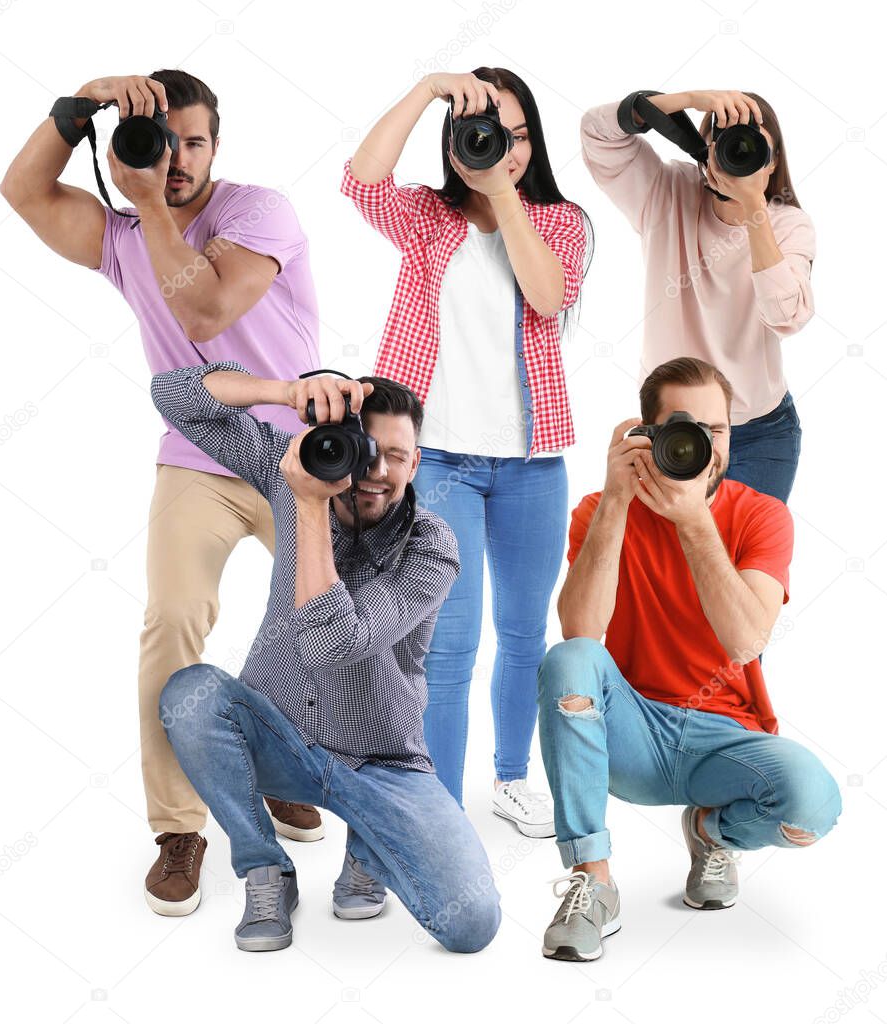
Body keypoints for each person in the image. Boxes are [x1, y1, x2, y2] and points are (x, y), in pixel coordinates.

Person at [0, 69, 324, 916]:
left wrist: (147, 208)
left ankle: (278, 764)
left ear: (218, 146)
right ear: (124, 149)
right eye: (158, 142)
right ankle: (180, 828)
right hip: (198, 452)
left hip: (297, 452)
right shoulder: (117, 237)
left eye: (194, 141)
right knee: (173, 618)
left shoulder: (259, 211)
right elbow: (22, 190)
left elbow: (209, 312)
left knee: (323, 621)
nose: (175, 159)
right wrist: (72, 113)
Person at [149, 361, 501, 954]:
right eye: (365, 452)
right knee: (190, 693)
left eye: (397, 455)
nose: (377, 472)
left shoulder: (431, 544)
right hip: (279, 742)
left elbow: (331, 645)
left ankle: (368, 842)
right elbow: (174, 395)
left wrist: (309, 508)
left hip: (383, 765)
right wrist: (283, 392)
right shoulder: (291, 473)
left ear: (416, 463)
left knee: (472, 925)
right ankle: (265, 870)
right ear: (335, 444)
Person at [340, 67, 592, 834]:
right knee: (446, 646)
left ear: (532, 142)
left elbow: (549, 295)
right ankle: (438, 809)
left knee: (523, 634)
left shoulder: (559, 220)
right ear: (453, 143)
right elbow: (360, 177)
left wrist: (502, 189)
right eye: (483, 135)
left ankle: (512, 779)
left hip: (531, 462)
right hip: (438, 457)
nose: (499, 149)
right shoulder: (423, 218)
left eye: (515, 136)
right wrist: (424, 91)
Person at [538, 356, 841, 962]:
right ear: (647, 434)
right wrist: (619, 503)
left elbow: (747, 639)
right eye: (683, 426)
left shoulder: (760, 514)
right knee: (566, 658)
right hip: (630, 735)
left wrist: (693, 520)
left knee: (813, 806)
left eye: (717, 429)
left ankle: (710, 832)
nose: (701, 442)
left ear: (729, 434)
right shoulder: (600, 510)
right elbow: (581, 629)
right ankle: (592, 881)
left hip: (724, 742)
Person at [581, 89, 814, 503]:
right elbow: (597, 133)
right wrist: (691, 100)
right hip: (675, 421)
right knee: (677, 561)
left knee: (745, 564)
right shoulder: (667, 191)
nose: (737, 152)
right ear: (705, 152)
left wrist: (754, 208)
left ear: (772, 160)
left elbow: (787, 316)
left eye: (751, 144)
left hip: (759, 432)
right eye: (726, 141)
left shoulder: (788, 224)